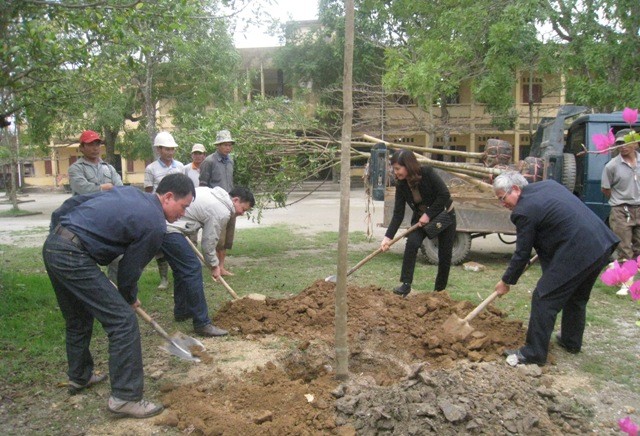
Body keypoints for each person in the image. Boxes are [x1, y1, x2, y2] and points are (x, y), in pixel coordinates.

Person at [43, 173, 195, 419]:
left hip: (54, 246)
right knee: (123, 321)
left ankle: (80, 377)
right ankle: (125, 397)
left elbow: (73, 204)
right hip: (74, 256)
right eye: (183, 206)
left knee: (78, 318)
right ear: (168, 197)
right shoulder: (154, 223)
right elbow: (130, 269)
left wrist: (56, 235)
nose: (183, 214)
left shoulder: (129, 192)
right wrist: (128, 297)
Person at [494, 172, 619, 366]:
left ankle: (533, 353)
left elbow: (522, 255)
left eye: (503, 198)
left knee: (543, 297)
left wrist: (506, 281)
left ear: (516, 189)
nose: (503, 204)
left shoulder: (523, 211)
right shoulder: (548, 185)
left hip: (578, 250)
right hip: (600, 245)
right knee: (577, 296)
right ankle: (571, 341)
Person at [162, 186, 255, 336]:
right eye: (243, 209)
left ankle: (182, 311)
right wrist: (214, 265)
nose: (241, 213)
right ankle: (202, 323)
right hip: (170, 229)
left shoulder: (213, 194)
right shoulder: (222, 210)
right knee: (192, 269)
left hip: (168, 226)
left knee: (182, 270)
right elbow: (209, 241)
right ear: (236, 200)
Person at [380, 150, 456, 296]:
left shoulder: (427, 173)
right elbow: (398, 214)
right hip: (421, 220)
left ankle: (439, 291)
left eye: (397, 168)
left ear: (408, 166)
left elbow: (444, 195)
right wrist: (387, 238)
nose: (395, 173)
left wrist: (429, 214)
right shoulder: (401, 184)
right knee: (412, 243)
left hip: (444, 216)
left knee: (445, 254)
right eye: (394, 169)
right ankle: (406, 284)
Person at [68, 130, 124, 284]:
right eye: (90, 144)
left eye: (97, 143)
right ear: (82, 147)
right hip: (85, 220)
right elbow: (83, 189)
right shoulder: (76, 168)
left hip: (107, 218)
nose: (95, 147)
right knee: (85, 259)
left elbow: (119, 188)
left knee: (117, 257)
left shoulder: (109, 168)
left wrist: (109, 189)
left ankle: (115, 293)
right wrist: (103, 188)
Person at [144, 131, 184, 290]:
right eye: (167, 149)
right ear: (159, 150)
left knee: (178, 241)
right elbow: (148, 191)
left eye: (172, 149)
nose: (170, 152)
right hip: (159, 211)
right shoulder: (151, 168)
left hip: (177, 211)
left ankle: (179, 275)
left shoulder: (180, 166)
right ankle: (164, 279)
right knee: (160, 246)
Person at [199, 129, 236, 276]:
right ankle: (214, 267)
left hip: (229, 203)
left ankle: (222, 266)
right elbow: (203, 184)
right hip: (215, 205)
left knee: (227, 237)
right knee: (216, 237)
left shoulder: (231, 160)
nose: (228, 147)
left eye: (229, 145)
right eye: (225, 145)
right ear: (218, 146)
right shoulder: (209, 162)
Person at [601, 129, 640, 264]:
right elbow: (606, 189)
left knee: (638, 247)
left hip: (639, 207)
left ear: (635, 143)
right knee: (624, 248)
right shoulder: (611, 166)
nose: (622, 146)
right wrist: (620, 200)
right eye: (619, 143)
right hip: (621, 210)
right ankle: (625, 281)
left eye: (625, 142)